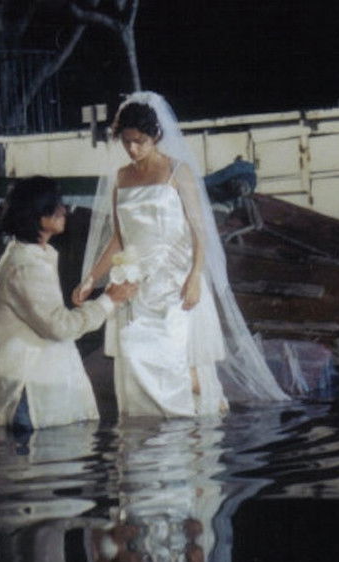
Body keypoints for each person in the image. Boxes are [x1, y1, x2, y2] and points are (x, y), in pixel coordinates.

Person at [73, 92, 288, 418]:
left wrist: (195, 277)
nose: (132, 149)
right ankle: (145, 432)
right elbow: (119, 237)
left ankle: (190, 426)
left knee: (175, 360)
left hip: (174, 279)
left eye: (140, 141)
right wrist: (90, 278)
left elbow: (200, 231)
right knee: (136, 360)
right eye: (127, 141)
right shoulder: (122, 177)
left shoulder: (178, 171)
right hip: (134, 282)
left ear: (156, 135)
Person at [0, 176, 137, 431]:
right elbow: (60, 327)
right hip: (31, 397)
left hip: (38, 389)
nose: (64, 210)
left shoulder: (33, 256)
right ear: (37, 213)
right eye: (56, 205)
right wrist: (108, 301)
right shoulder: (25, 266)